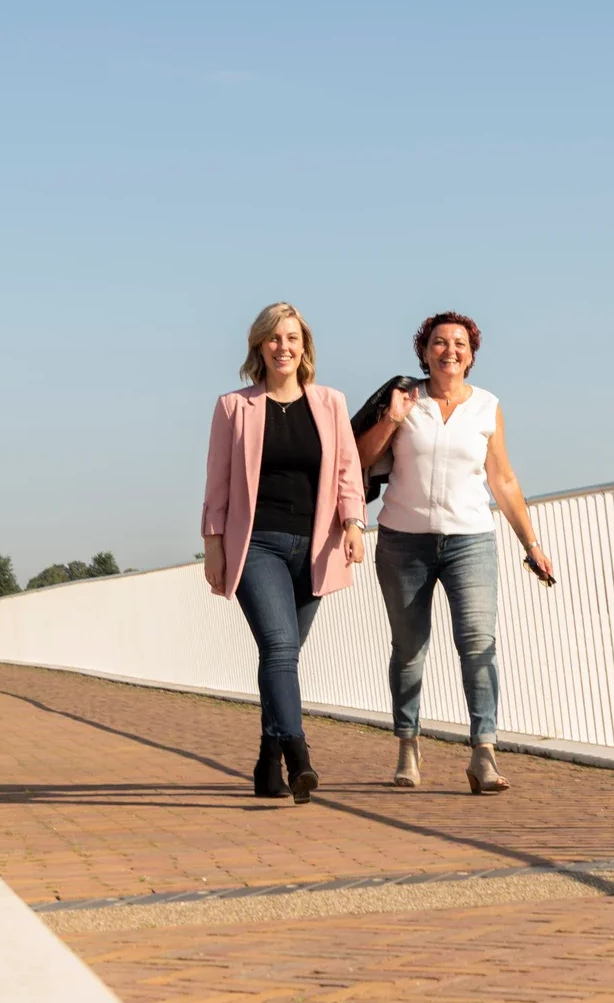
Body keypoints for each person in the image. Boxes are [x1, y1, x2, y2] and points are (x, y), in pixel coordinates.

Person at [356, 311, 552, 793]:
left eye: (460, 344)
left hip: (470, 540)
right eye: (439, 343)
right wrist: (392, 418)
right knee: (409, 649)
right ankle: (408, 745)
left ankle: (484, 753)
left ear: (471, 355)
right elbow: (359, 458)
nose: (450, 351)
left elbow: (502, 479)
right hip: (403, 540)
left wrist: (531, 543)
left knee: (478, 643)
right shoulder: (406, 399)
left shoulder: (486, 406)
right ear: (424, 352)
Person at [202, 302, 366, 802]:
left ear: (304, 346)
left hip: (315, 548)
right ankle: (298, 754)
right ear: (259, 345)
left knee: (283, 657)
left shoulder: (330, 403)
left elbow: (347, 470)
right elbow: (217, 483)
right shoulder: (234, 407)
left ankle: (266, 765)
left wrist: (354, 523)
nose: (283, 347)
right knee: (278, 646)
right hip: (257, 546)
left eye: (292, 338)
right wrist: (213, 544)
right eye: (274, 338)